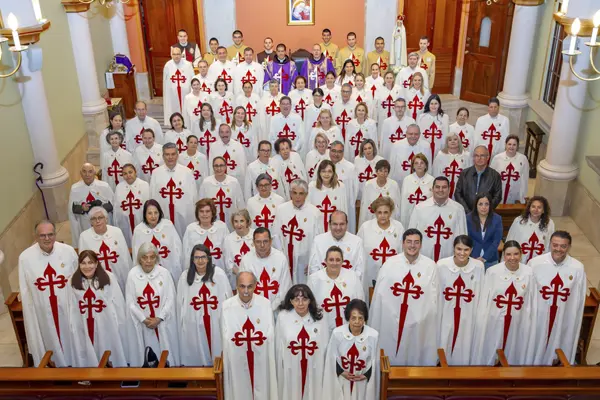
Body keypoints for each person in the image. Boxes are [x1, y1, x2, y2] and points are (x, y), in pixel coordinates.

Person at [370, 228, 438, 366]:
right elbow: (380, 296)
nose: (412, 245)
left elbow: (433, 300)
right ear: (403, 243)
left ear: (421, 244)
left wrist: (418, 318)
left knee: (414, 354)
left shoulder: (430, 266)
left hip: (419, 323)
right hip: (391, 320)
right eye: (409, 242)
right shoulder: (390, 264)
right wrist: (392, 314)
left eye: (416, 242)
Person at [18, 220, 78, 367]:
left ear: (55, 234)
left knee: (71, 339)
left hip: (68, 309)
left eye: (50, 234)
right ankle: (53, 367)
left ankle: (76, 365)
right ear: (36, 236)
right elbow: (25, 291)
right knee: (49, 339)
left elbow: (78, 280)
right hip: (43, 312)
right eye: (42, 235)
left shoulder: (68, 251)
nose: (47, 238)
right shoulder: (25, 258)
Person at [472, 241, 535, 365]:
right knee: (492, 351)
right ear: (503, 255)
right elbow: (484, 299)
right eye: (508, 254)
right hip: (495, 320)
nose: (512, 258)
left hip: (518, 321)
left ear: (521, 254)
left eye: (516, 254)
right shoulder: (492, 272)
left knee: (513, 351)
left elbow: (531, 300)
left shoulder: (529, 273)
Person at [529, 231, 587, 365]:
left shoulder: (577, 268)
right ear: (550, 244)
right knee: (535, 344)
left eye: (563, 246)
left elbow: (579, 299)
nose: (558, 249)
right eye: (555, 245)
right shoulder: (535, 264)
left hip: (563, 315)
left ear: (569, 247)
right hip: (539, 315)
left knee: (559, 340)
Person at [221, 271, 278, 399]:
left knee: (262, 386)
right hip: (237, 358)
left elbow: (270, 335)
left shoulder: (265, 304)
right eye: (242, 286)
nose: (246, 291)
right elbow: (226, 338)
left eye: (250, 286)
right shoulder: (226, 306)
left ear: (255, 286)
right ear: (236, 286)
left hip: (261, 358)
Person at [68, 250, 127, 367]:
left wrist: (120, 325)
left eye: (90, 262)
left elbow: (118, 303)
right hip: (83, 325)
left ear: (96, 263)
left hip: (106, 325)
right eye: (83, 263)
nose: (87, 266)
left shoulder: (108, 277)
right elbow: (71, 306)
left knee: (107, 351)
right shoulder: (72, 281)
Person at [177, 243, 232, 366]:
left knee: (218, 349)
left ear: (208, 258)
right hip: (193, 324)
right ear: (192, 259)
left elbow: (228, 299)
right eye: (197, 257)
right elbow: (180, 304)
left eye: (203, 257)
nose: (200, 261)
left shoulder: (219, 274)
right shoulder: (185, 277)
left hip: (215, 321)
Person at [125, 242, 180, 367]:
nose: (148, 261)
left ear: (156, 258)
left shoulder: (164, 273)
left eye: (152, 257)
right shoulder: (132, 275)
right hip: (143, 324)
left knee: (166, 355)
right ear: (139, 258)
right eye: (145, 257)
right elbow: (130, 302)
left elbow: (170, 298)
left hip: (162, 322)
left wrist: (159, 317)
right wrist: (143, 319)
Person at [275, 284, 329, 400]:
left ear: (310, 300)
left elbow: (325, 347)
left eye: (304, 299)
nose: (300, 303)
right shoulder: (283, 317)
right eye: (296, 299)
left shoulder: (320, 317)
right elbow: (278, 348)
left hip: (315, 367)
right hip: (291, 367)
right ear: (291, 301)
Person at [437, 235, 484, 365]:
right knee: (445, 337)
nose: (462, 253)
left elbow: (480, 292)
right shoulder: (441, 265)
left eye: (466, 249)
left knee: (464, 340)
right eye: (459, 249)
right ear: (453, 248)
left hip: (468, 313)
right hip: (446, 311)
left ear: (471, 250)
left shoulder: (479, 267)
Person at [323, 299, 380, 399]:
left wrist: (366, 375)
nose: (357, 322)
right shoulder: (337, 333)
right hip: (343, 380)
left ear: (365, 319)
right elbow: (331, 358)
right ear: (348, 318)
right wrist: (341, 372)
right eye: (353, 318)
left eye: (360, 318)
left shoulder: (373, 336)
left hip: (362, 383)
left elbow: (375, 362)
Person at [272, 179, 322, 284]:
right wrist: (280, 258)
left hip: (305, 261)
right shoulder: (281, 210)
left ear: (306, 194)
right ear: (290, 193)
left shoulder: (314, 213)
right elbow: (275, 235)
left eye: (301, 193)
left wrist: (313, 262)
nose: (297, 197)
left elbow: (319, 240)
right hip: (285, 257)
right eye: (294, 193)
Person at [409, 177, 467, 263]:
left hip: (449, 260)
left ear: (449, 189)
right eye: (437, 187)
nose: (440, 190)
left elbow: (462, 237)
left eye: (444, 187)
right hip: (423, 259)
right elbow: (411, 235)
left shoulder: (458, 209)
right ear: (432, 189)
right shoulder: (420, 208)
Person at [307, 246, 364, 333]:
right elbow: (309, 306)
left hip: (349, 328)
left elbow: (360, 302)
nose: (334, 263)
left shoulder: (352, 277)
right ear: (325, 261)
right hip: (322, 329)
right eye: (331, 260)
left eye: (338, 260)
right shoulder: (314, 280)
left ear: (342, 261)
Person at [357, 196, 404, 297]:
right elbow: (358, 251)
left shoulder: (398, 227)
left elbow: (402, 252)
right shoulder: (365, 227)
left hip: (392, 274)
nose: (382, 216)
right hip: (370, 274)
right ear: (375, 213)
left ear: (390, 213)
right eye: (379, 212)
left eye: (386, 212)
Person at [78, 206, 132, 292]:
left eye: (100, 217)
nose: (97, 221)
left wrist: (129, 276)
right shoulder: (84, 237)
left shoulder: (116, 232)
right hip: (97, 279)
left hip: (118, 274)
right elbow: (83, 263)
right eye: (94, 219)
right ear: (90, 222)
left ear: (106, 219)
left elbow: (125, 257)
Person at [149, 142, 197, 237]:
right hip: (163, 214)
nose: (170, 157)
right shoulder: (156, 173)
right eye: (167, 154)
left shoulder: (187, 172)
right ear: (163, 156)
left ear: (177, 155)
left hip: (183, 216)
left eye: (173, 154)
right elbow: (152, 196)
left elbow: (194, 196)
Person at [240, 227, 293, 311]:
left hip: (277, 310)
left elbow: (285, 288)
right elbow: (243, 288)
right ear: (253, 242)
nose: (262, 245)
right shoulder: (246, 260)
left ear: (270, 241)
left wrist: (270, 309)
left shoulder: (280, 258)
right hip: (253, 310)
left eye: (265, 241)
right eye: (258, 242)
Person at [132, 199, 184, 281]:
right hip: (148, 271)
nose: (153, 216)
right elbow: (136, 255)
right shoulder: (138, 230)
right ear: (145, 214)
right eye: (150, 213)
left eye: (156, 212)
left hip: (169, 269)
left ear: (160, 213)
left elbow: (178, 249)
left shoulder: (168, 225)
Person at [308, 211, 365, 279]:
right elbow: (313, 269)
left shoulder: (357, 242)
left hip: (349, 283)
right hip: (323, 283)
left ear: (347, 224)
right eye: (335, 224)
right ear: (329, 224)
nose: (338, 228)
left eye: (342, 224)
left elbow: (360, 270)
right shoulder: (318, 241)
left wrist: (348, 282)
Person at [68, 163, 114, 246]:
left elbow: (113, 205)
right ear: (80, 173)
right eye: (84, 171)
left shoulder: (104, 186)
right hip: (85, 223)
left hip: (102, 221)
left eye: (90, 171)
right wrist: (82, 208)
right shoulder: (75, 188)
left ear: (94, 173)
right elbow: (72, 209)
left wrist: (102, 208)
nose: (87, 175)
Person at [182, 198, 230, 272]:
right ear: (197, 214)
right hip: (197, 272)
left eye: (207, 211)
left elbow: (228, 252)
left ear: (212, 213)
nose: (204, 214)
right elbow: (186, 254)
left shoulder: (222, 227)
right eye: (201, 211)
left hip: (219, 270)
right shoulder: (191, 229)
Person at [200, 156, 244, 230]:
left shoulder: (234, 182)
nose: (219, 168)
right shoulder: (206, 183)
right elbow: (201, 205)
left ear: (226, 166)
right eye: (216, 166)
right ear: (213, 167)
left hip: (231, 222)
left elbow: (240, 204)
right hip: (212, 223)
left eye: (221, 165)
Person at [507, 195, 555, 264]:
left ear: (543, 210)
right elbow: (510, 240)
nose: (536, 210)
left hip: (540, 261)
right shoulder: (519, 221)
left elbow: (550, 244)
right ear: (529, 208)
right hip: (520, 260)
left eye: (539, 207)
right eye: (533, 206)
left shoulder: (549, 224)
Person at [454, 145, 503, 213]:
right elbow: (458, 193)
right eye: (476, 156)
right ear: (473, 158)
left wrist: (485, 210)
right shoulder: (464, 173)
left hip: (486, 215)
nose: (479, 158)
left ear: (487, 157)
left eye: (482, 155)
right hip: (466, 214)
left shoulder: (495, 176)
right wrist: (467, 212)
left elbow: (498, 196)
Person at [113, 163, 149, 247]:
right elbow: (116, 208)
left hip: (141, 220)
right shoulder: (119, 187)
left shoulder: (144, 185)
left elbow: (148, 205)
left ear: (135, 172)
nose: (128, 175)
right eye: (125, 173)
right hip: (125, 223)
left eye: (130, 172)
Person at [328, 141, 360, 232]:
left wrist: (350, 202)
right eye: (334, 151)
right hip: (327, 205)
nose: (336, 154)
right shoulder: (323, 165)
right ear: (329, 151)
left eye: (339, 151)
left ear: (343, 152)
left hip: (345, 204)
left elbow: (355, 189)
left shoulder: (350, 168)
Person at [308, 160, 348, 233]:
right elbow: (309, 210)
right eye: (323, 171)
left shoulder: (340, 187)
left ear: (333, 173)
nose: (326, 174)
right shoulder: (312, 186)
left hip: (335, 227)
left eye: (329, 171)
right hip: (316, 227)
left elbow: (343, 209)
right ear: (319, 173)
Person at [359, 159, 401, 227]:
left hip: (389, 221)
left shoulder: (394, 185)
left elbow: (397, 207)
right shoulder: (368, 185)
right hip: (371, 220)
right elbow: (364, 207)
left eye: (385, 171)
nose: (382, 173)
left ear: (388, 173)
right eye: (380, 170)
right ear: (376, 171)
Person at [466, 193, 503, 269]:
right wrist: (474, 257)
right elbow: (467, 239)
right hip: (473, 258)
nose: (483, 207)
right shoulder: (468, 218)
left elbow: (496, 241)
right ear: (476, 205)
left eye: (486, 204)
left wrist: (484, 258)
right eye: (480, 204)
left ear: (490, 205)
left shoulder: (497, 219)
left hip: (491, 259)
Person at [491, 134, 529, 204]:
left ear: (517, 146)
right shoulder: (497, 158)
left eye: (514, 145)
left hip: (515, 191)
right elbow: (491, 177)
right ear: (505, 145)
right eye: (509, 144)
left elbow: (525, 179)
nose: (511, 147)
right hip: (500, 189)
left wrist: (524, 195)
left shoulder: (523, 159)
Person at [432, 132, 472, 199]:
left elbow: (469, 175)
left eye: (455, 139)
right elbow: (435, 173)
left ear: (459, 141)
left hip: (460, 188)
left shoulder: (466, 155)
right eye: (450, 140)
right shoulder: (440, 155)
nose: (452, 141)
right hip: (443, 188)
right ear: (446, 142)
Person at [208, 124, 247, 191]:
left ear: (231, 133)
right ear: (219, 133)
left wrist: (242, 182)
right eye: (222, 132)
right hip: (218, 181)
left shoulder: (238, 146)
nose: (224, 135)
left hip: (235, 181)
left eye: (227, 132)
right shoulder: (213, 146)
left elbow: (243, 166)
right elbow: (211, 166)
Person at [399, 153, 434, 227]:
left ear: (426, 166)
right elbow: (403, 202)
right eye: (416, 163)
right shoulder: (407, 180)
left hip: (425, 215)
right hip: (409, 214)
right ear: (413, 166)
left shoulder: (432, 180)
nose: (419, 165)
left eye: (422, 163)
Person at [223, 209, 255, 287]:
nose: (239, 224)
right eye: (236, 221)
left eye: (242, 221)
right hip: (237, 280)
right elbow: (229, 264)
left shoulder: (255, 235)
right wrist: (242, 276)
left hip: (256, 278)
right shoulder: (228, 239)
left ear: (247, 222)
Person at [163, 47, 194, 123]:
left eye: (178, 54)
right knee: (173, 108)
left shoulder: (188, 65)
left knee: (186, 108)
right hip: (172, 94)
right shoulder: (168, 65)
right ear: (171, 55)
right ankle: (174, 123)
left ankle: (187, 123)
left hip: (185, 93)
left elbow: (192, 78)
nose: (176, 56)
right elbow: (165, 82)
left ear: (181, 55)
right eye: (174, 54)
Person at [418, 94, 449, 162]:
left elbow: (446, 134)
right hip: (425, 147)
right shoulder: (422, 117)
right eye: (431, 103)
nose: (433, 106)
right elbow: (419, 134)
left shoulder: (444, 117)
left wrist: (443, 148)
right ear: (428, 104)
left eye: (436, 103)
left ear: (439, 105)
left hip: (439, 147)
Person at [375, 71, 403, 136]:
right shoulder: (379, 89)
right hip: (382, 116)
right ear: (384, 79)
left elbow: (402, 103)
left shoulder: (399, 89)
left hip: (395, 116)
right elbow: (375, 105)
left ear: (393, 79)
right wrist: (375, 118)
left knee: (393, 134)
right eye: (387, 78)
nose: (389, 80)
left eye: (390, 78)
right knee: (382, 134)